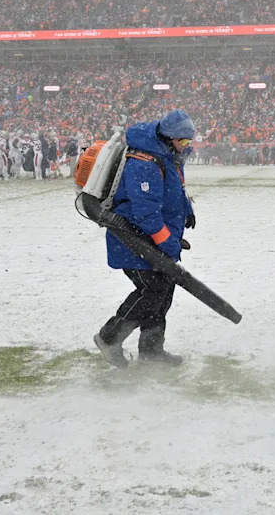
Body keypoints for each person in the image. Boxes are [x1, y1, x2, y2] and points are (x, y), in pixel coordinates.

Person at [94, 109, 196, 368]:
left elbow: (173, 189)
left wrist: (186, 210)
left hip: (152, 239)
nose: (186, 147)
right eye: (183, 141)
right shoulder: (144, 163)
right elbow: (146, 214)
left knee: (163, 289)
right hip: (133, 239)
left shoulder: (166, 155)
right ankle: (110, 337)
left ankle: (151, 351)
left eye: (189, 142)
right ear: (168, 137)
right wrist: (169, 243)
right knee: (152, 290)